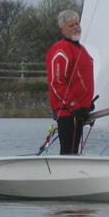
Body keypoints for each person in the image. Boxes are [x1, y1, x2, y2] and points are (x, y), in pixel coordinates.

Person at [45, 9, 95, 155]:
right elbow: (57, 83)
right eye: (71, 25)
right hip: (68, 112)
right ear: (63, 29)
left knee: (73, 150)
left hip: (80, 111)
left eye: (77, 23)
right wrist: (74, 105)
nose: (76, 27)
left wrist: (87, 102)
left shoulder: (80, 48)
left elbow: (80, 80)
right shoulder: (61, 50)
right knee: (68, 151)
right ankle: (63, 175)